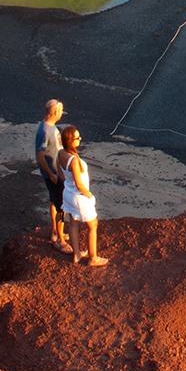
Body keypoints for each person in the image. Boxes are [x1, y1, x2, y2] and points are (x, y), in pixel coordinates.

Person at [57, 124, 109, 267]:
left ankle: (77, 254)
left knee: (73, 223)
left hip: (68, 194)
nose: (80, 139)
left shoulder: (61, 153)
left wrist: (68, 185)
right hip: (79, 196)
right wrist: (90, 195)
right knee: (93, 225)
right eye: (77, 138)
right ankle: (93, 258)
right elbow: (79, 184)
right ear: (70, 141)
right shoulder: (73, 160)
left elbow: (60, 173)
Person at [35, 98, 71, 253]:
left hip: (55, 172)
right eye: (60, 111)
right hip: (54, 174)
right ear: (55, 112)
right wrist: (51, 173)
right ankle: (60, 241)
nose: (62, 113)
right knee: (61, 206)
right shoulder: (45, 131)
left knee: (54, 202)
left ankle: (56, 232)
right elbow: (40, 155)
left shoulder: (49, 127)